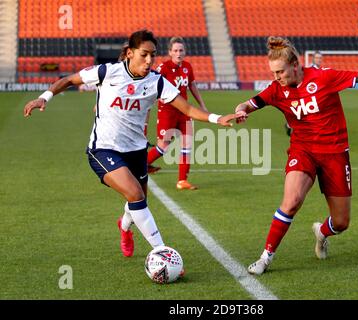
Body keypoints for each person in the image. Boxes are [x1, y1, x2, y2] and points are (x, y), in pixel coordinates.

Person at [23, 29, 241, 259]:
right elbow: (69, 80)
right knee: (136, 195)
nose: (149, 61)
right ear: (129, 53)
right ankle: (162, 253)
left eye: (152, 56)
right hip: (103, 149)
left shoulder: (157, 81)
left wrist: (217, 118)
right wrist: (43, 97)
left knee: (138, 201)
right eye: (144, 55)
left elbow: (186, 108)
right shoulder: (107, 72)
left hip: (136, 150)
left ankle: (124, 227)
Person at [234, 37, 358, 275]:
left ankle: (322, 232)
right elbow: (249, 104)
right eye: (273, 72)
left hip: (335, 153)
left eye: (280, 71)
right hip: (303, 150)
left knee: (341, 222)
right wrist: (240, 110)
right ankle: (265, 257)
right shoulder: (276, 90)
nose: (276, 77)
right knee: (291, 202)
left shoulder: (324, 77)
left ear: (295, 65)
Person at [146, 37, 208, 190]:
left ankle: (182, 181)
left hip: (184, 111)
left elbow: (192, 85)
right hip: (167, 111)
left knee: (187, 144)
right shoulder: (163, 68)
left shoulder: (187, 67)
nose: (178, 53)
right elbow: (153, 86)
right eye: (175, 50)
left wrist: (202, 105)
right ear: (169, 52)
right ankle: (142, 165)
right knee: (163, 147)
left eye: (181, 50)